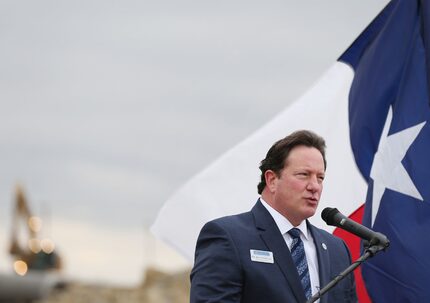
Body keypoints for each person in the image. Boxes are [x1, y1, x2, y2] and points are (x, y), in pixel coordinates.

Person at [190, 130, 357, 303]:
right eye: (304, 175)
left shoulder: (337, 249)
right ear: (271, 180)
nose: (315, 186)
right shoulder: (228, 237)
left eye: (320, 178)